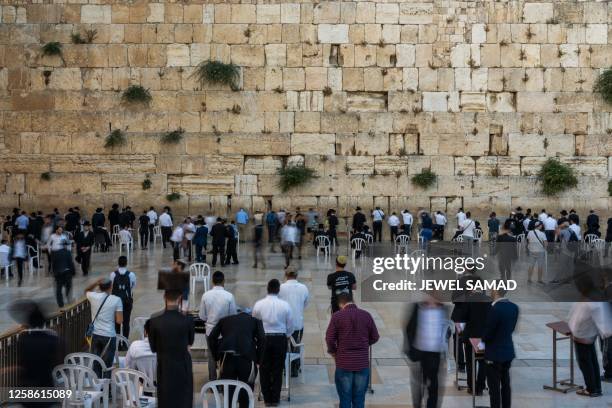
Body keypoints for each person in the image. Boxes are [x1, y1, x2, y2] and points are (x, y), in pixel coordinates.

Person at [326, 292, 379, 408]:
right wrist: (364, 344)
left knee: (345, 399)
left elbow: (329, 338)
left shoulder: (337, 316)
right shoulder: (366, 315)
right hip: (362, 363)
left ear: (340, 304)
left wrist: (333, 351)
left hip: (344, 363)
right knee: (359, 399)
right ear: (353, 300)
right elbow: (375, 337)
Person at [209, 308, 265, 408]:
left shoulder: (224, 320)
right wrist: (258, 360)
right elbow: (262, 339)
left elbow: (211, 337)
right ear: (250, 314)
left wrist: (216, 356)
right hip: (247, 359)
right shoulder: (255, 321)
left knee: (228, 391)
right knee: (246, 390)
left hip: (227, 358)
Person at [149, 289, 195, 408]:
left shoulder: (154, 321)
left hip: (164, 365)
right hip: (183, 364)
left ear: (164, 298)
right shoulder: (188, 320)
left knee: (166, 399)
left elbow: (153, 348)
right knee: (184, 398)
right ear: (179, 298)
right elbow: (190, 342)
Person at [13, 300, 63, 408]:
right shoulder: (52, 339)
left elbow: (21, 362)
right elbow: (58, 361)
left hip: (26, 388)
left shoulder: (23, 339)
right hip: (46, 386)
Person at [568, 276, 612, 398]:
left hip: (583, 337)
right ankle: (596, 387)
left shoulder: (590, 301)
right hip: (588, 336)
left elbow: (580, 319)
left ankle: (592, 389)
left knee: (586, 364)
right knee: (592, 362)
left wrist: (573, 328)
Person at [253, 279, 293, 407]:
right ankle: (275, 399)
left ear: (267, 289)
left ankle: (267, 398)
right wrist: (285, 335)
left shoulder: (259, 304)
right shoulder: (285, 305)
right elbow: (290, 325)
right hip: (279, 338)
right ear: (278, 290)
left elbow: (254, 323)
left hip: (264, 339)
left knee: (264, 368)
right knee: (277, 369)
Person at [404, 296, 450, 408]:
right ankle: (417, 404)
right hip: (419, 353)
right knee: (418, 385)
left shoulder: (443, 309)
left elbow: (446, 330)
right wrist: (410, 350)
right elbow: (409, 328)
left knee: (433, 385)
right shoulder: (417, 307)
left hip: (435, 354)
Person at [482, 285, 519, 408]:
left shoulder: (494, 309)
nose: (490, 291)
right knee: (506, 384)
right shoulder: (514, 307)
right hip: (508, 351)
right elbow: (511, 329)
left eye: (492, 288)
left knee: (494, 388)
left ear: (496, 290)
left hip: (494, 353)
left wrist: (483, 339)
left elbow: (489, 333)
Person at [454, 283, 492, 396]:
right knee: (483, 362)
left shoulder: (469, 300)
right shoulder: (489, 300)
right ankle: (480, 387)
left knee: (471, 363)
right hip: (484, 336)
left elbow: (462, 317)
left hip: (471, 335)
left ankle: (471, 387)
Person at [198, 271, 237, 381]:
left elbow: (202, 316)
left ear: (212, 281)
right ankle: (223, 378)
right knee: (225, 356)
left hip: (210, 331)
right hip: (225, 332)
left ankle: (212, 380)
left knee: (211, 356)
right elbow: (233, 315)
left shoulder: (206, 295)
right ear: (223, 281)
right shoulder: (229, 296)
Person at [85, 278, 123, 378]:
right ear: (111, 287)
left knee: (96, 363)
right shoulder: (116, 300)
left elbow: (86, 290)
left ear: (99, 287)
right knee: (107, 365)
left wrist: (96, 282)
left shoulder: (93, 296)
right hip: (109, 336)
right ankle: (107, 390)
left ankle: (97, 387)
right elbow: (119, 320)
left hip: (95, 335)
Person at [279, 266, 310, 377]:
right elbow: (305, 304)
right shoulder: (303, 288)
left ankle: (284, 366)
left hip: (283, 324)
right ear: (297, 275)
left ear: (286, 275)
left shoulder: (280, 287)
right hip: (297, 322)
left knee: (283, 345)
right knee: (295, 344)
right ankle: (295, 367)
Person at [110, 256, 136, 341]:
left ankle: (116, 342)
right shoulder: (131, 275)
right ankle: (125, 343)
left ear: (118, 263)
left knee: (116, 323)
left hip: (116, 302)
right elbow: (133, 286)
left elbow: (111, 287)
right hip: (127, 302)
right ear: (126, 263)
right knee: (126, 322)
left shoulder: (113, 274)